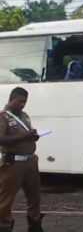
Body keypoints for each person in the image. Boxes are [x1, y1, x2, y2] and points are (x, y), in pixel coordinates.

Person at [0, 87, 43, 232]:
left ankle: (35, 224)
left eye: (25, 102)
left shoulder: (24, 116)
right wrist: (24, 137)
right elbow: (1, 139)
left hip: (30, 161)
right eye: (20, 101)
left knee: (34, 195)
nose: (23, 105)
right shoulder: (3, 117)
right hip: (14, 163)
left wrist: (33, 136)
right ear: (12, 99)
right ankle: (4, 225)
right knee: (6, 198)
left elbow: (26, 134)